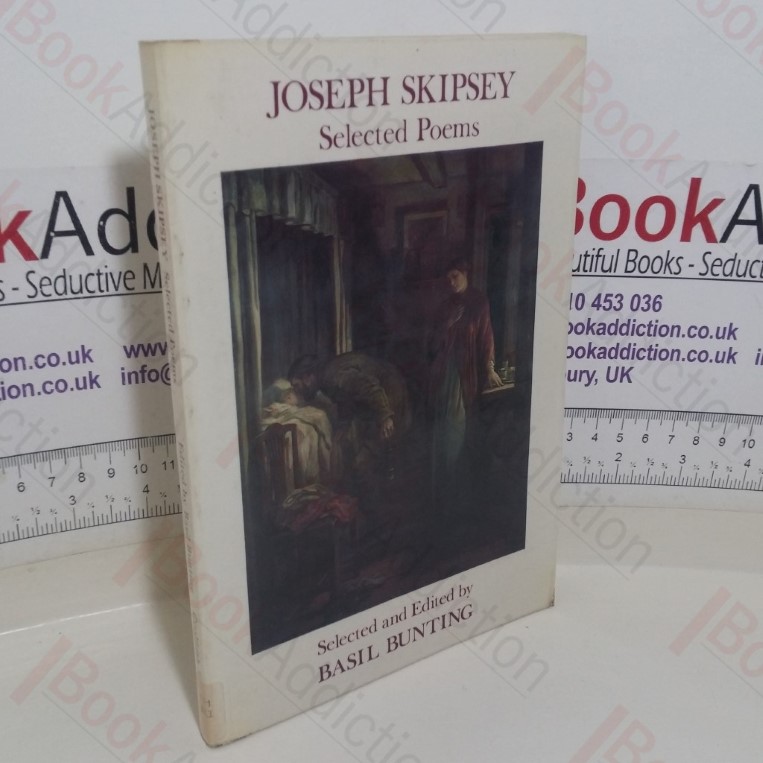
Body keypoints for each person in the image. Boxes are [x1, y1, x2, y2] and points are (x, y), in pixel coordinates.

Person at [429, 258, 502, 514]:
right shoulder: (445, 306)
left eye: (455, 276)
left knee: (461, 434)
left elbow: (486, 337)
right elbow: (433, 344)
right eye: (448, 278)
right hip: (444, 377)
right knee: (445, 433)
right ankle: (444, 499)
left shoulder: (478, 302)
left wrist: (489, 368)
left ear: (465, 274)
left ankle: (462, 500)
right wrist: (448, 325)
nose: (451, 282)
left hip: (467, 376)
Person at [288, 352, 411, 489]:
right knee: (359, 457)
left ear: (307, 378)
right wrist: (343, 424)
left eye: (296, 385)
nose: (297, 391)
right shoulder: (325, 380)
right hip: (378, 403)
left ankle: (378, 496)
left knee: (365, 462)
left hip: (389, 397)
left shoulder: (334, 376)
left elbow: (370, 388)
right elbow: (345, 398)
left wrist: (385, 416)